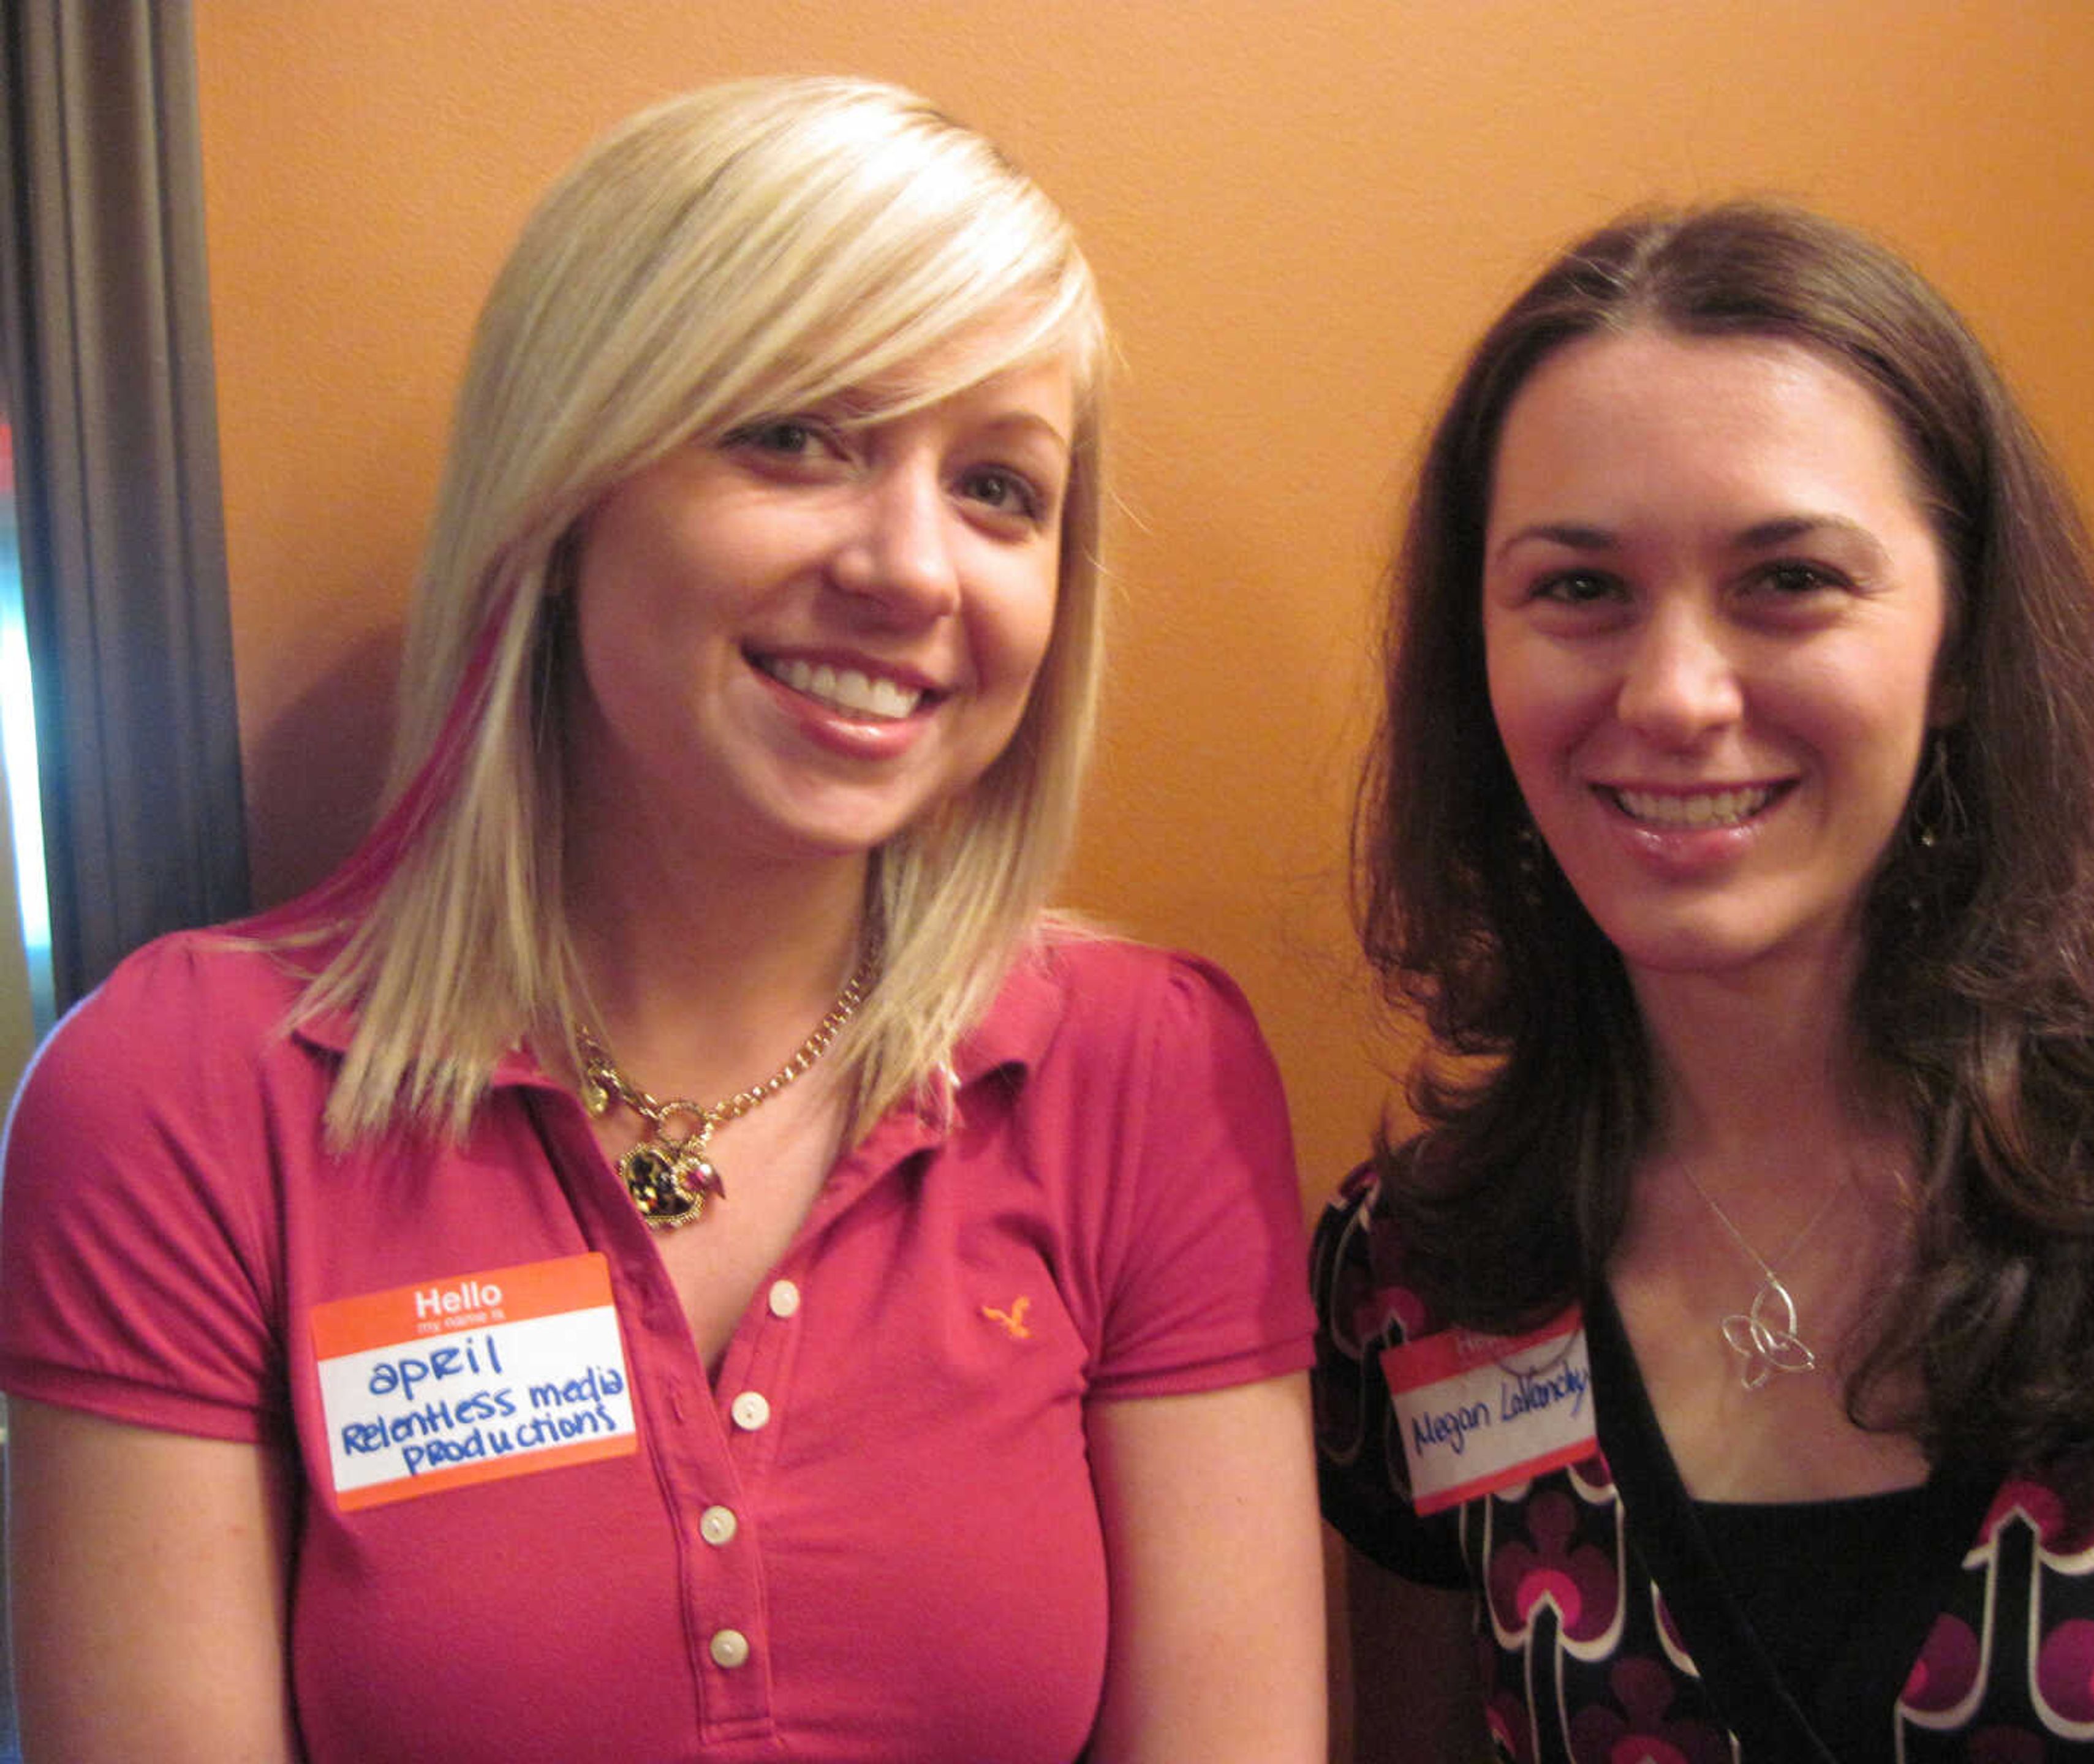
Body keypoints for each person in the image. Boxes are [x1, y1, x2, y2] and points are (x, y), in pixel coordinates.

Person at [0, 77, 1324, 1763]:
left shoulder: (1144, 1072)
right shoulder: (182, 1093)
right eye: (795, 436)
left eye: (1001, 487)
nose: (915, 569)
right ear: (566, 497)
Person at [1313, 200, 2094, 1761]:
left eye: (1789, 579)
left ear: (1958, 649)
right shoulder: (1419, 1278)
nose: (1674, 695)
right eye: (1580, 591)